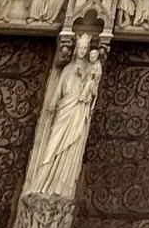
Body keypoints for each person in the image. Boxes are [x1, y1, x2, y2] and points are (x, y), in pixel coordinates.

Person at [25, 34, 102, 198]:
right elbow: (59, 89)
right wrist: (53, 103)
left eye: (84, 48)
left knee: (69, 142)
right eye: (79, 48)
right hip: (64, 108)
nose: (82, 51)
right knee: (53, 142)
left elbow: (93, 90)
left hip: (78, 108)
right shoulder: (67, 69)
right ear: (75, 49)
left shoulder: (91, 69)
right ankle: (41, 180)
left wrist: (87, 83)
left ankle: (59, 183)